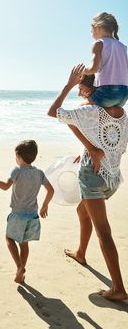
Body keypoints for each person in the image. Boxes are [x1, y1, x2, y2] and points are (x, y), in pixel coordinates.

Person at [48, 64, 128, 301]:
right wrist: (90, 148)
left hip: (92, 176)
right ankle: (81, 253)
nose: (78, 90)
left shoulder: (88, 110)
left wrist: (67, 85)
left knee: (104, 231)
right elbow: (114, 143)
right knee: (83, 211)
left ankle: (119, 289)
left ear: (86, 87)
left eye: (80, 86)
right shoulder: (120, 113)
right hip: (112, 178)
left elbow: (54, 112)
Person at [0, 140, 54, 283]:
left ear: (19, 156)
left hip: (17, 214)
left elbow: (5, 186)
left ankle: (19, 266)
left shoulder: (17, 171)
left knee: (9, 239)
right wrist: (45, 205)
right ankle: (20, 272)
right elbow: (51, 190)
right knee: (24, 244)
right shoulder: (39, 173)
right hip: (33, 215)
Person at [82, 12, 128, 108]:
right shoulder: (123, 46)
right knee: (107, 116)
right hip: (124, 94)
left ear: (97, 27)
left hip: (107, 92)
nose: (91, 33)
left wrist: (83, 71)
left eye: (91, 30)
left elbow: (93, 69)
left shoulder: (99, 43)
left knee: (79, 110)